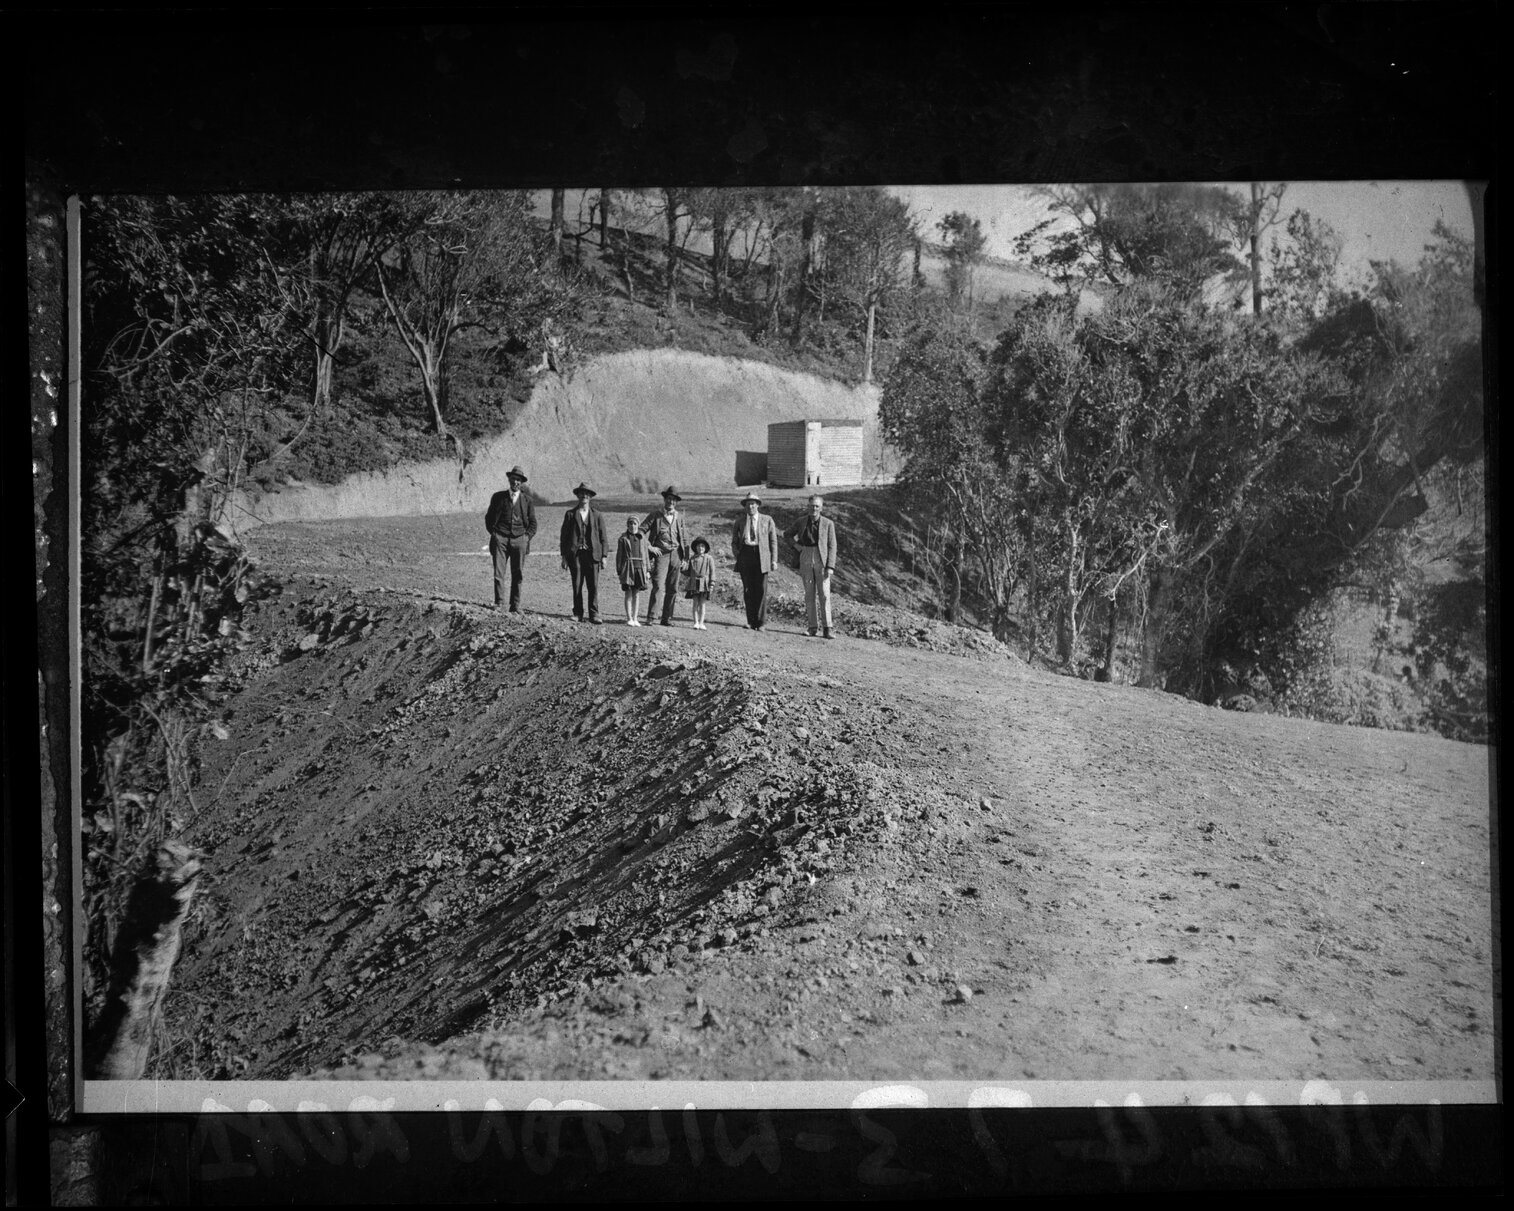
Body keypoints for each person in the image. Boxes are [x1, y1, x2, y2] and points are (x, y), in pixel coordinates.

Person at [484, 466, 537, 613]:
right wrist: (494, 534)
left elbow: (533, 523)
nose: (515, 482)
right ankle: (499, 603)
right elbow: (489, 518)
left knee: (517, 573)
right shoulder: (498, 497)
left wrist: (526, 538)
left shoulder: (527, 500)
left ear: (522, 482)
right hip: (500, 538)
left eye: (518, 480)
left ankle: (515, 605)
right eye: (513, 479)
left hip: (519, 540)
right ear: (509, 479)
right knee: (499, 572)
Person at [785, 493, 839, 638]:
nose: (813, 509)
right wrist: (797, 547)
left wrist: (830, 566)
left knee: (824, 594)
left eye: (816, 506)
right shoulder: (801, 521)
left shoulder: (828, 524)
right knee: (809, 594)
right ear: (807, 507)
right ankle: (812, 627)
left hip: (822, 559)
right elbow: (787, 534)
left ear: (821, 508)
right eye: (811, 506)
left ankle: (828, 628)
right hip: (806, 556)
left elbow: (832, 545)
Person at [639, 486, 690, 627]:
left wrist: (686, 558)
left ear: (676, 502)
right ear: (664, 499)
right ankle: (651, 616)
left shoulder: (680, 517)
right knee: (658, 585)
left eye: (673, 500)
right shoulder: (655, 515)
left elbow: (685, 538)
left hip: (676, 555)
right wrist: (650, 547)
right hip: (661, 554)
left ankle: (667, 618)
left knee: (673, 587)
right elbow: (640, 531)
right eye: (669, 499)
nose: (671, 502)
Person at [558, 482, 609, 624]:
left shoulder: (597, 515)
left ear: (590, 497)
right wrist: (564, 557)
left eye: (587, 494)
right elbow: (564, 537)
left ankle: (594, 614)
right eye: (581, 493)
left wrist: (604, 556)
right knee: (577, 585)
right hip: (575, 555)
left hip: (593, 555)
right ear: (577, 495)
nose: (584, 496)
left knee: (593, 586)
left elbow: (603, 537)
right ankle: (578, 613)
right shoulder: (570, 514)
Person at [729, 491, 778, 630]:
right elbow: (734, 541)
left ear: (757, 505)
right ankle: (750, 621)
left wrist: (774, 560)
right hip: (746, 554)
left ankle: (760, 622)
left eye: (753, 504)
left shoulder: (767, 520)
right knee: (748, 589)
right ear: (745, 506)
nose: (750, 507)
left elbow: (773, 541)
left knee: (761, 589)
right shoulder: (740, 521)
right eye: (748, 504)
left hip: (762, 556)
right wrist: (738, 555)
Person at [616, 517, 650, 625]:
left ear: (638, 525)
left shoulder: (642, 538)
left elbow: (646, 554)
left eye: (635, 523)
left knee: (636, 593)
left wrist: (648, 570)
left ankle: (635, 618)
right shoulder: (623, 538)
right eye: (630, 523)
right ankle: (629, 618)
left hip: (639, 567)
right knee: (628, 593)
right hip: (628, 568)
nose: (632, 526)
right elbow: (619, 555)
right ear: (627, 525)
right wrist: (619, 570)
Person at [684, 537, 715, 630]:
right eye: (698, 546)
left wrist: (712, 583)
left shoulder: (709, 558)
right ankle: (696, 623)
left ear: (705, 548)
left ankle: (701, 623)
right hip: (694, 583)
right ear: (695, 548)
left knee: (702, 604)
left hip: (704, 583)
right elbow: (689, 572)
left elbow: (712, 572)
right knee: (695, 603)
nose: (700, 548)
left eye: (702, 546)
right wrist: (682, 568)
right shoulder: (692, 559)